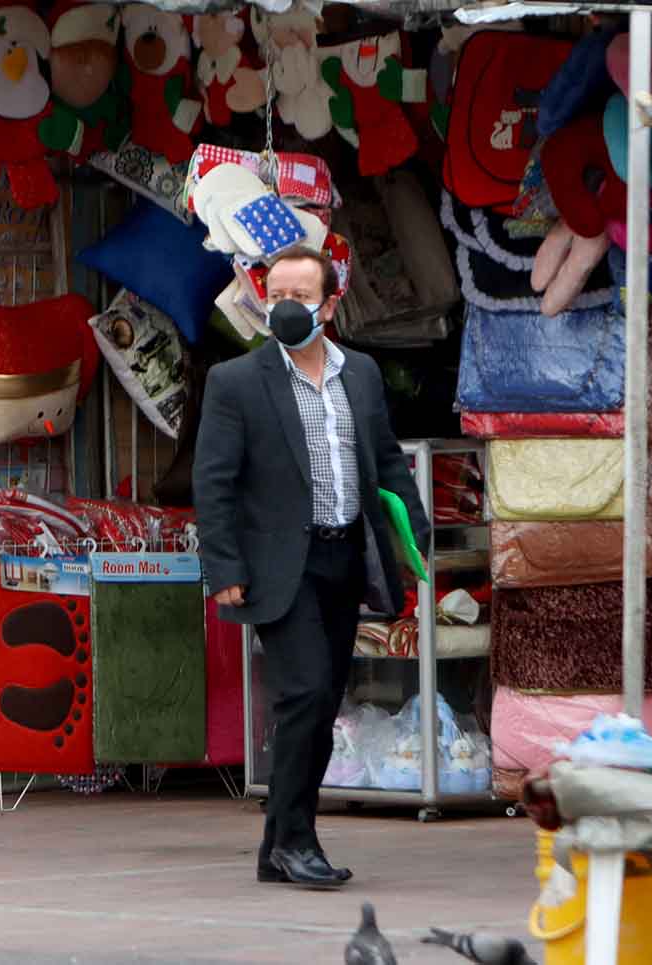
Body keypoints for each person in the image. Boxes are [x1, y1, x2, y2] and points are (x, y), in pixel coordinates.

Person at [192, 246, 429, 888]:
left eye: (303, 296)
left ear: (330, 305)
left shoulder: (363, 375)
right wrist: (225, 567)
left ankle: (277, 847)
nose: (288, 307)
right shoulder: (236, 381)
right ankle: (298, 840)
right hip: (277, 565)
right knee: (303, 693)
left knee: (322, 699)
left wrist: (417, 543)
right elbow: (213, 483)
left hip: (343, 555)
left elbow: (385, 462)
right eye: (277, 296)